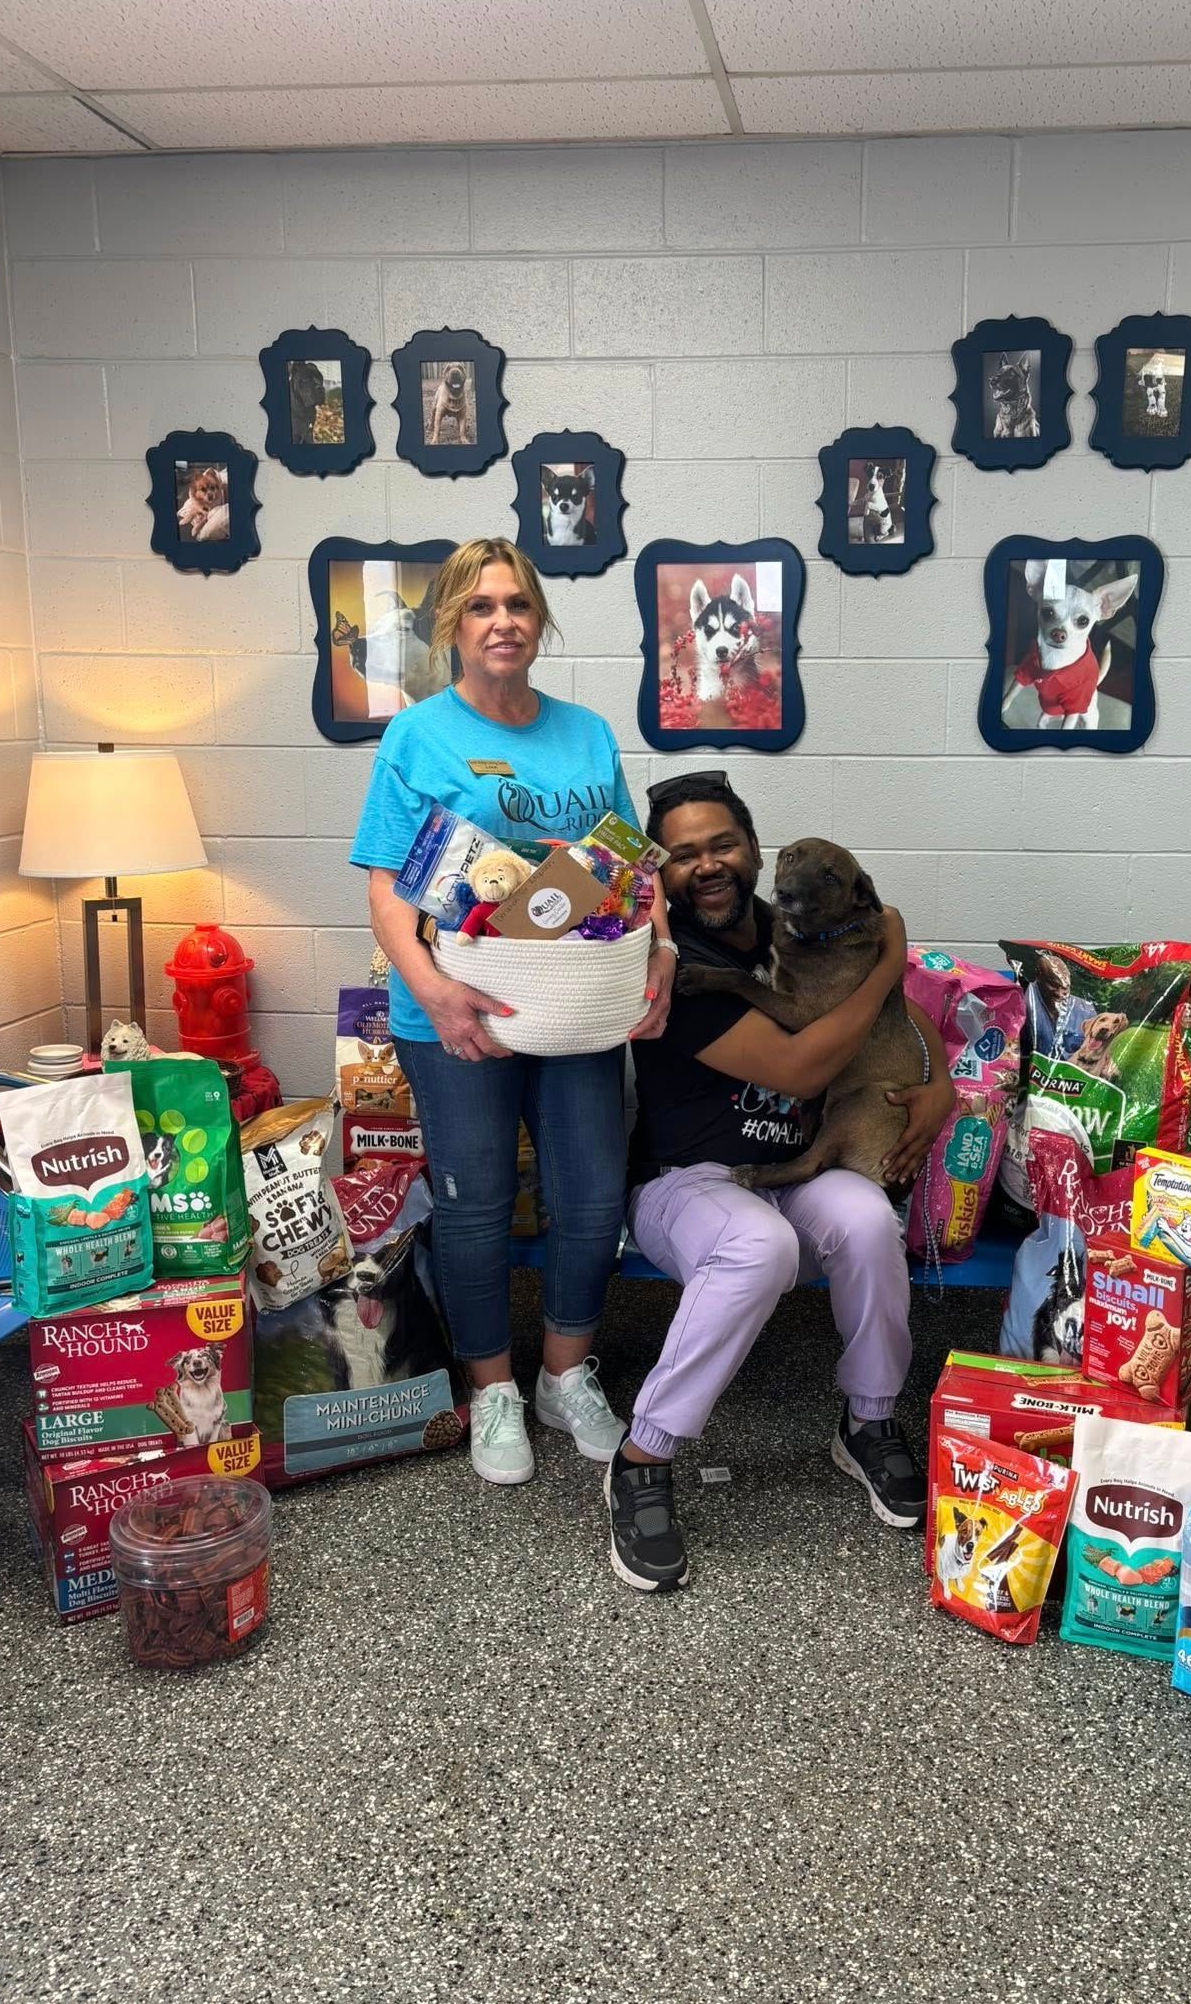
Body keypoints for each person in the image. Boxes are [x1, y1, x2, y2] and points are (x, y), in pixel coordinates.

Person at [350, 537, 675, 1490]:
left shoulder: (585, 733)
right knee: (474, 1203)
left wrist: (658, 954)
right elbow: (386, 890)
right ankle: (491, 1385)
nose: (503, 622)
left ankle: (564, 1376)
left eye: (518, 606)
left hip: (575, 1009)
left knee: (589, 1200)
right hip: (459, 1018)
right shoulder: (419, 736)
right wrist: (435, 991)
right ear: (453, 623)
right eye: (482, 606)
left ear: (541, 622)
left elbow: (630, 868)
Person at [605, 773, 956, 1592]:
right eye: (684, 855)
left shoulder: (797, 922)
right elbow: (802, 1068)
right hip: (685, 1181)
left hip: (798, 1170)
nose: (709, 866)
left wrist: (938, 1083)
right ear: (660, 871)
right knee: (757, 1244)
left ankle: (868, 1421)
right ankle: (641, 1456)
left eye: (723, 844)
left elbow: (902, 1015)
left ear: (756, 850)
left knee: (868, 1219)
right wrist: (890, 956)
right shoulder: (669, 959)